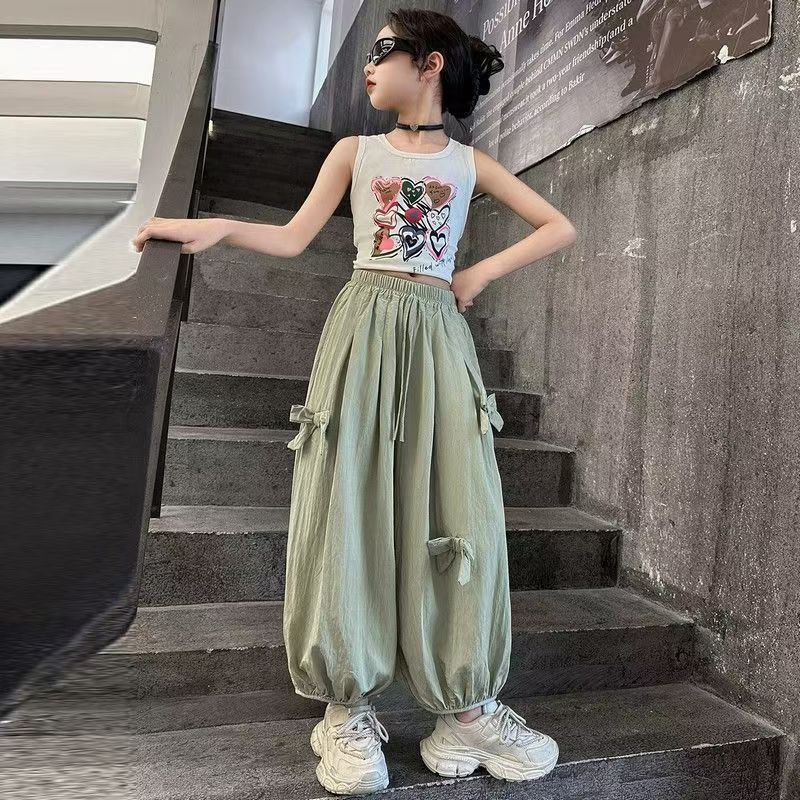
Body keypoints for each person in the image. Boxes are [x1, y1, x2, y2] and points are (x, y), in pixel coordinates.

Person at [133, 8, 577, 796]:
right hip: (363, 329)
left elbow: (557, 226)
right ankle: (347, 708)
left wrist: (477, 272)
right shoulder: (354, 152)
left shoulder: (469, 164)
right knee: (349, 503)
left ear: (430, 63)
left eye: (383, 50)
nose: (369, 67)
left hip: (438, 338)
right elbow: (294, 238)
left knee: (457, 507)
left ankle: (466, 710)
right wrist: (220, 227)